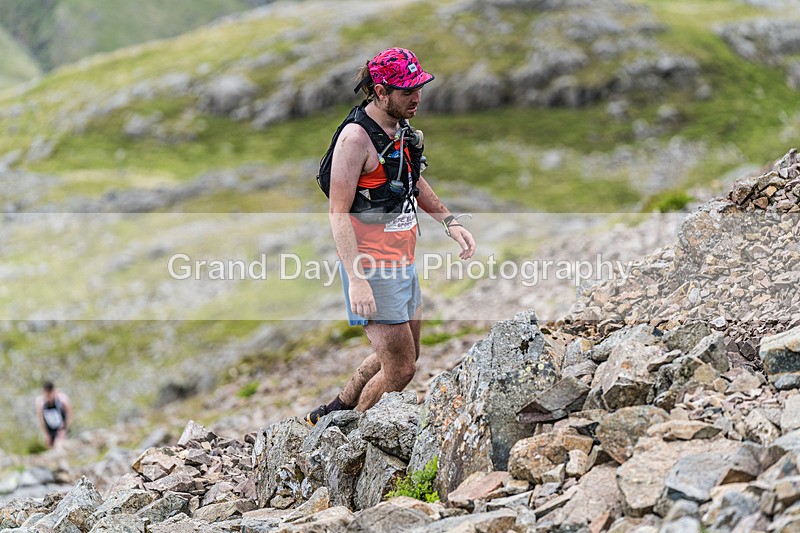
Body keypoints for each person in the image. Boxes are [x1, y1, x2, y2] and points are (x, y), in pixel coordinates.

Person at [306, 48, 476, 425]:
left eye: (419, 88)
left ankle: (335, 409)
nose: (417, 98)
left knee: (406, 353)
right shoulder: (354, 141)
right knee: (401, 370)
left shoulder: (398, 126)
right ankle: (350, 437)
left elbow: (412, 182)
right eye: (407, 91)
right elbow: (338, 214)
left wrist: (450, 221)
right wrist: (357, 281)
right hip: (372, 267)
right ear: (381, 91)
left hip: (402, 261)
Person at [35, 381, 72, 449]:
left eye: (50, 395)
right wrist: (45, 433)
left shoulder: (62, 399)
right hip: (50, 428)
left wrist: (64, 430)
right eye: (46, 395)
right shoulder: (41, 402)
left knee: (59, 445)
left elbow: (69, 415)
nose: (48, 397)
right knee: (50, 447)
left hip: (61, 428)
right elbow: (40, 418)